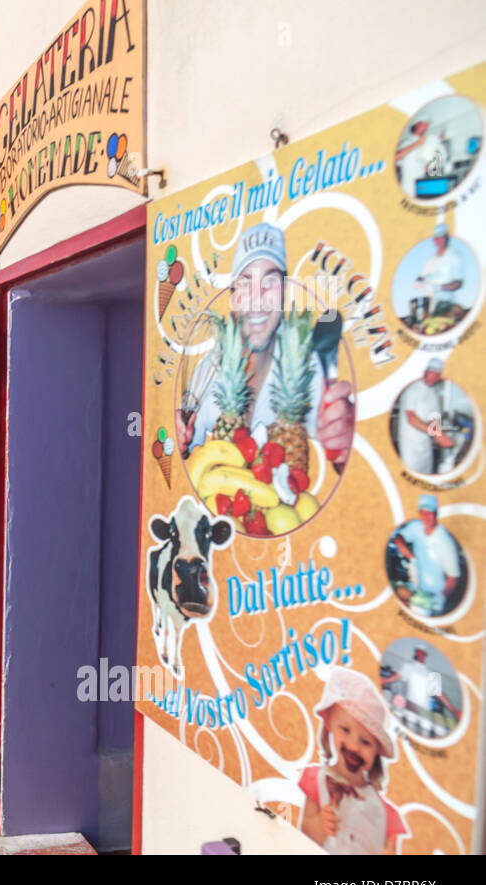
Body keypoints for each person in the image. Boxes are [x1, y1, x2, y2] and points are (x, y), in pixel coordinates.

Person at [177, 222, 355, 467]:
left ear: (284, 292)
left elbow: (335, 443)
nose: (258, 298)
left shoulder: (310, 365)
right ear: (232, 299)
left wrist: (341, 437)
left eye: (270, 282)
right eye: (246, 283)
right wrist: (180, 440)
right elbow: (182, 457)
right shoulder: (206, 373)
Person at [298, 668, 406, 855]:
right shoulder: (316, 780)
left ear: (376, 751)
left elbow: (390, 847)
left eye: (365, 742)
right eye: (345, 730)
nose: (354, 746)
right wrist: (319, 825)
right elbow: (302, 832)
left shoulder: (385, 812)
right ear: (330, 723)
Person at [392, 495, 461, 617]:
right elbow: (398, 539)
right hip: (414, 591)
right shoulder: (416, 527)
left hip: (431, 599)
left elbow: (453, 578)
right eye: (423, 513)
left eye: (429, 513)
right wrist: (411, 557)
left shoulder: (445, 541)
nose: (426, 517)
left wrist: (440, 599)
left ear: (436, 514)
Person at [395, 359, 454, 474]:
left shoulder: (434, 391)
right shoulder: (412, 389)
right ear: (425, 371)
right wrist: (437, 434)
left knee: (427, 472)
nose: (434, 377)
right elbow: (411, 418)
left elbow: (434, 416)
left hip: (426, 443)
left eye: (437, 374)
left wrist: (439, 435)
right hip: (410, 445)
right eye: (432, 372)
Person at [411, 223, 466, 327]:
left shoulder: (454, 256)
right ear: (433, 240)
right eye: (436, 238)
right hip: (430, 306)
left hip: (447, 304)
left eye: (441, 237)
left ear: (446, 238)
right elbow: (421, 276)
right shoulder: (431, 260)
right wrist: (418, 281)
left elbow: (459, 283)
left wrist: (440, 287)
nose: (439, 240)